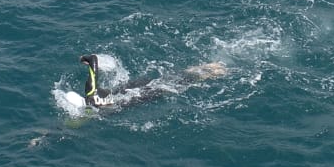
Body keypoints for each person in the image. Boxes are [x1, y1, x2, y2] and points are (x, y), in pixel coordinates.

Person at [79, 53, 227, 110]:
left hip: (138, 92)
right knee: (169, 82)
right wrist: (85, 59)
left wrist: (89, 58)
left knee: (171, 85)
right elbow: (93, 63)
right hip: (133, 90)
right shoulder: (91, 93)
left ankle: (210, 71)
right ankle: (204, 70)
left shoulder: (92, 94)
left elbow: (94, 60)